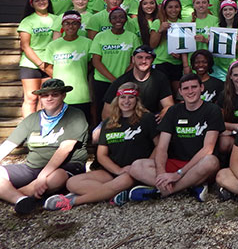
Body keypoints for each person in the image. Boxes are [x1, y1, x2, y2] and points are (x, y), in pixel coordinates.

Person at [43, 82, 158, 211]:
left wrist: (144, 166)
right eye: (122, 97)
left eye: (131, 97)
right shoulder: (109, 123)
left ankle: (74, 201)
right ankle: (115, 195)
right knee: (72, 183)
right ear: (117, 99)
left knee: (119, 183)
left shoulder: (147, 118)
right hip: (113, 171)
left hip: (134, 171)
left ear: (137, 100)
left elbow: (159, 146)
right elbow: (101, 155)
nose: (126, 101)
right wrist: (118, 170)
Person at [128, 74, 222, 202]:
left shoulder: (212, 110)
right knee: (136, 166)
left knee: (211, 161)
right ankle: (189, 186)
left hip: (198, 165)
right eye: (186, 88)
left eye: (194, 87)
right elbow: (162, 147)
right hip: (176, 163)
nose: (190, 91)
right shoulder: (173, 111)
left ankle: (161, 192)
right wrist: (161, 173)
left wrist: (179, 174)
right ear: (180, 91)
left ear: (202, 88)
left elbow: (208, 149)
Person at [0, 79, 87, 214]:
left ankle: (11, 194)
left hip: (64, 166)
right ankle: (20, 199)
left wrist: (43, 176)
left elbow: (65, 149)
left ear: (63, 95)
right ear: (40, 98)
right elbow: (9, 145)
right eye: (45, 95)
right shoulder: (32, 119)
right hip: (32, 167)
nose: (49, 98)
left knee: (56, 177)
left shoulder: (75, 115)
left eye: (55, 94)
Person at [90, 6, 142, 122]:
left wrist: (122, 78)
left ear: (126, 19)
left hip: (125, 81)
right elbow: (96, 61)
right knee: (102, 110)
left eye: (121, 17)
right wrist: (114, 80)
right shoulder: (100, 36)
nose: (118, 20)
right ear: (110, 21)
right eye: (114, 18)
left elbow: (135, 60)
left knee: (125, 109)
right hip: (103, 81)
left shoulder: (132, 37)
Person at [102, 45, 173, 124]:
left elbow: (169, 105)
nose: (143, 61)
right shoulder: (122, 81)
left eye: (148, 58)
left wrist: (163, 113)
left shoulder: (160, 78)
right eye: (139, 57)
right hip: (125, 119)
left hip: (150, 118)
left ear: (153, 60)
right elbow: (106, 113)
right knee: (96, 134)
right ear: (133, 59)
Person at [43, 11, 93, 123]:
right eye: (67, 23)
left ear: (79, 25)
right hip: (60, 94)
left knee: (82, 124)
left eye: (74, 23)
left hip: (81, 94)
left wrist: (81, 72)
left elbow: (92, 63)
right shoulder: (53, 45)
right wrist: (59, 79)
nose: (71, 26)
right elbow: (47, 67)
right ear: (62, 26)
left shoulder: (88, 43)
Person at [18, 0, 56, 117]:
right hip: (30, 63)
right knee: (31, 97)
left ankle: (42, 128)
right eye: (37, 0)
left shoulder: (56, 19)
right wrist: (40, 64)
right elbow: (25, 46)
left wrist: (47, 65)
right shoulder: (27, 21)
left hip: (50, 62)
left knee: (45, 98)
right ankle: (28, 129)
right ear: (32, 4)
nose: (41, 2)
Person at [149, 0, 187, 92]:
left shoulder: (184, 23)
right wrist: (160, 30)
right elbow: (152, 44)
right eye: (170, 7)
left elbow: (186, 46)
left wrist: (180, 55)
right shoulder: (158, 22)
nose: (173, 10)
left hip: (177, 64)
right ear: (165, 9)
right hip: (161, 62)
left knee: (178, 93)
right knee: (161, 93)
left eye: (176, 7)